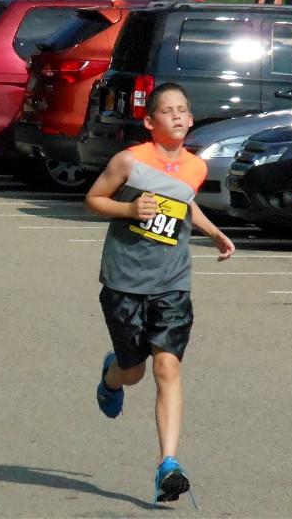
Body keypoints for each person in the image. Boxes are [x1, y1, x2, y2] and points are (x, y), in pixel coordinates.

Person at [85, 82, 234, 504]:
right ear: (150, 122)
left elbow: (184, 203)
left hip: (172, 283)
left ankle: (168, 463)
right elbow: (93, 199)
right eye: (167, 111)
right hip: (124, 281)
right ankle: (112, 375)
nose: (178, 116)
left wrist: (214, 232)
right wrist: (130, 209)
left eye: (183, 110)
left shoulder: (195, 167)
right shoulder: (129, 162)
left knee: (167, 368)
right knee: (133, 372)